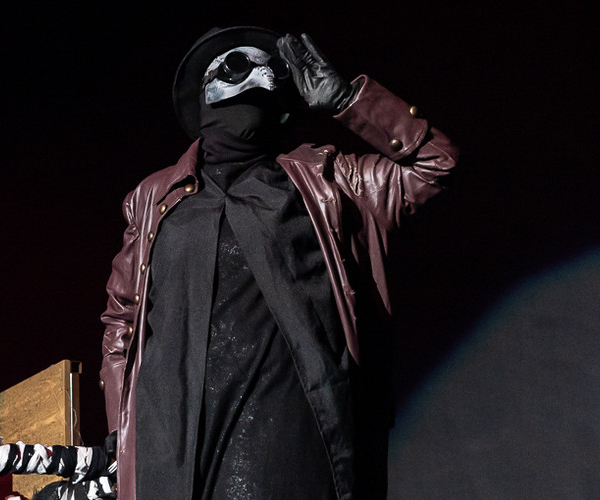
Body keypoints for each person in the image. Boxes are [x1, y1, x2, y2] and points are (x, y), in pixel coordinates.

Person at [99, 26, 458, 500]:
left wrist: (348, 101)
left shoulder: (326, 181)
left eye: (270, 68)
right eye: (236, 65)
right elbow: (122, 321)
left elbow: (435, 163)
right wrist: (122, 428)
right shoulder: (153, 198)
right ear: (205, 92)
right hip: (171, 440)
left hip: (286, 432)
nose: (258, 74)